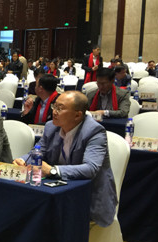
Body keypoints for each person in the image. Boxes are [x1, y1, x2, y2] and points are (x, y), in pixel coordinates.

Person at [13, 91, 117, 227]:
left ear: (77, 115)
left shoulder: (94, 132)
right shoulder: (51, 127)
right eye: (54, 106)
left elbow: (90, 168)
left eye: (60, 108)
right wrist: (23, 160)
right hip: (60, 192)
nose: (54, 112)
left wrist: (53, 170)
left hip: (88, 199)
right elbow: (38, 152)